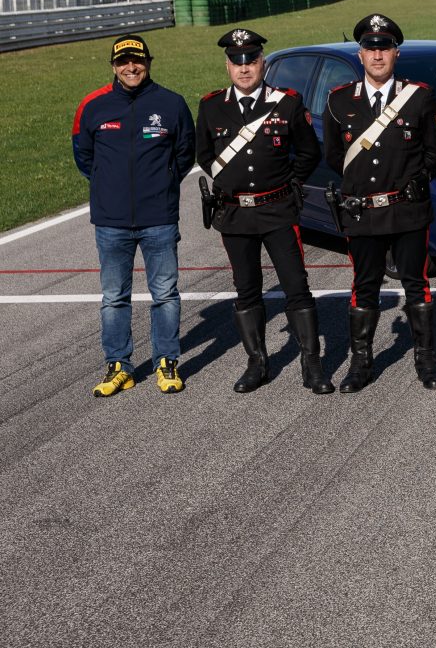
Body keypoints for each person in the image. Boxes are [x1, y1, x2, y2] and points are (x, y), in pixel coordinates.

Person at [194, 28, 331, 395]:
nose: (244, 68)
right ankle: (257, 363)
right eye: (237, 61)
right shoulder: (211, 106)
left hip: (277, 211)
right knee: (246, 290)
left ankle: (311, 364)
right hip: (235, 214)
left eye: (251, 60)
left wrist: (289, 183)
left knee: (296, 287)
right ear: (227, 65)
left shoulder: (285, 103)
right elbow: (204, 154)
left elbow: (307, 153)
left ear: (262, 63)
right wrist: (230, 180)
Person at [322, 13, 436, 392]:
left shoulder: (420, 96)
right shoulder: (339, 101)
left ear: (395, 53)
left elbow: (435, 151)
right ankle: (361, 363)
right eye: (370, 48)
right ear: (360, 55)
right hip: (363, 213)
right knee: (365, 285)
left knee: (416, 284)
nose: (378, 56)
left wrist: (409, 184)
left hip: (407, 209)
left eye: (385, 48)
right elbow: (332, 155)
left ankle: (426, 361)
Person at [72, 34, 195, 396]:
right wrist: (107, 187)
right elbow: (84, 156)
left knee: (165, 294)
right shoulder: (93, 106)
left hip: (158, 217)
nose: (131, 67)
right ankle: (118, 365)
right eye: (123, 61)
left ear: (148, 62)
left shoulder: (171, 104)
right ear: (113, 66)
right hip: (111, 222)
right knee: (113, 297)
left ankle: (166, 362)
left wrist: (162, 184)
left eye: (137, 60)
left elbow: (185, 154)